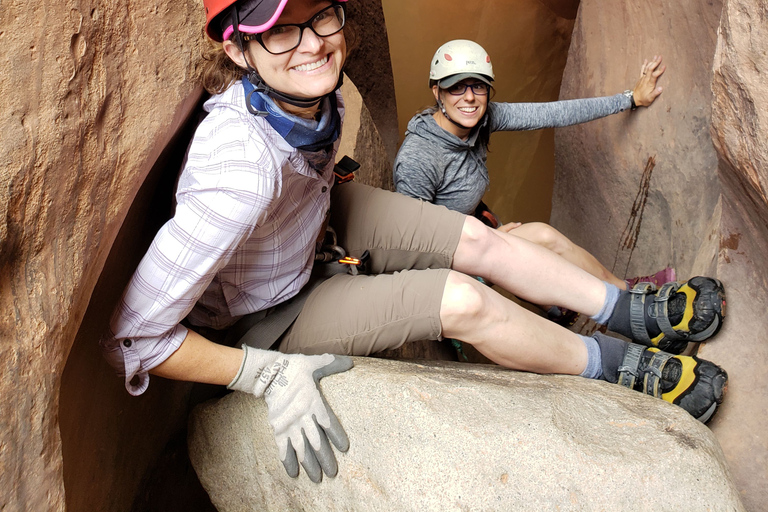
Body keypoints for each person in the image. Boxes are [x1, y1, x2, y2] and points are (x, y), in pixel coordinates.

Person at [101, 0, 728, 485]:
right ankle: (617, 369)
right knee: (463, 301)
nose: (313, 43)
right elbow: (132, 334)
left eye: (320, 15)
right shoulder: (237, 171)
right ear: (240, 52)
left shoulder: (318, 95)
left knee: (482, 242)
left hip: (314, 220)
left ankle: (626, 311)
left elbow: (529, 119)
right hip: (269, 313)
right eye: (279, 29)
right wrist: (260, 375)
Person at [394, 39, 675, 293]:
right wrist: (482, 241)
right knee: (544, 237)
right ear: (436, 91)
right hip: (449, 261)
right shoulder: (419, 158)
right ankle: (628, 294)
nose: (469, 97)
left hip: (474, 229)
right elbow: (413, 250)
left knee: (537, 258)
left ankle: (558, 308)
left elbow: (552, 113)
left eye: (478, 85)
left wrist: (630, 99)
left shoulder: (485, 117)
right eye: (456, 86)